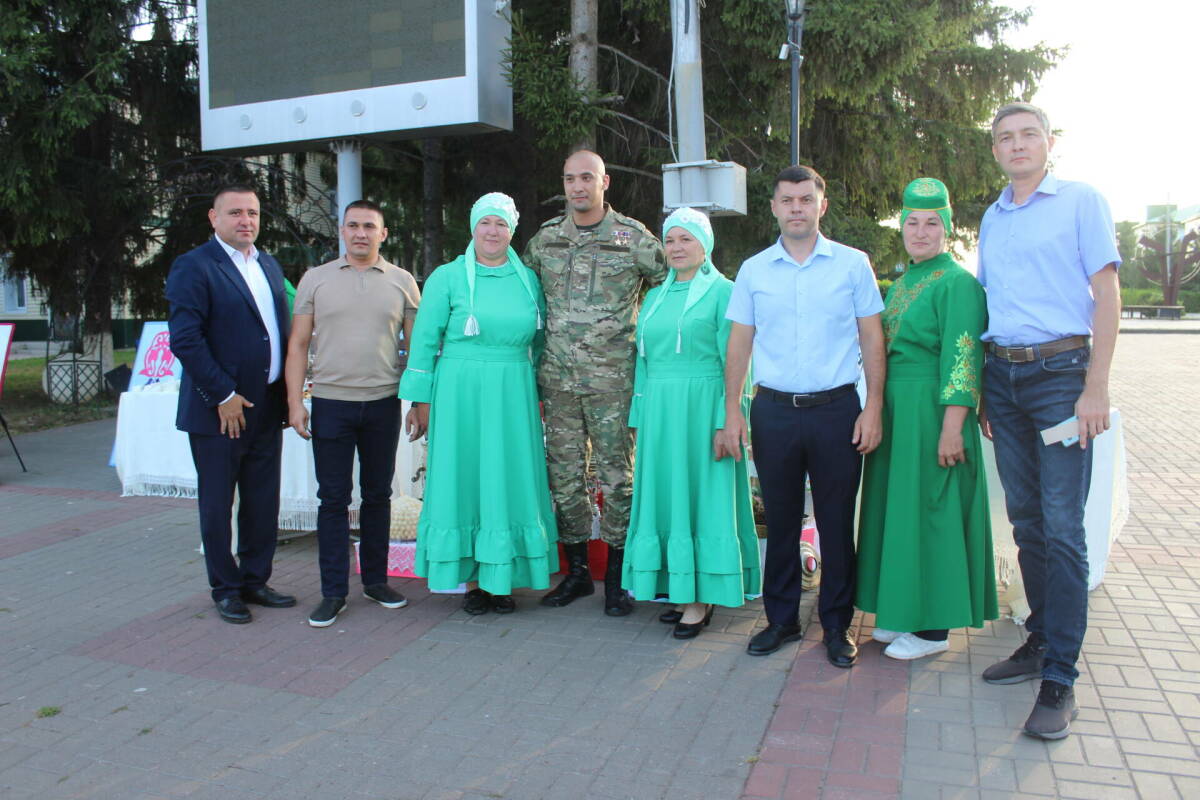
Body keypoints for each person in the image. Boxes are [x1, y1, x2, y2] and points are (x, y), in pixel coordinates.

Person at [977, 102, 1121, 740]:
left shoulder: (1081, 201)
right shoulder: (993, 216)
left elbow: (1106, 294)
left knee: (1064, 529)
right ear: (995, 150)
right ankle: (1039, 640)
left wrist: (1096, 386)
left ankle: (1061, 678)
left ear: (1048, 142)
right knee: (1027, 521)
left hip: (1062, 377)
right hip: (1002, 378)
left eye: (1028, 134)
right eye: (1005, 138)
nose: (1017, 145)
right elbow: (991, 301)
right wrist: (985, 390)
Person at [717, 165, 885, 665]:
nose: (796, 208)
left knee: (835, 522)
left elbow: (872, 336)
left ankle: (836, 625)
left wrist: (873, 406)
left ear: (821, 205)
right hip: (773, 411)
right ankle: (782, 620)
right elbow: (739, 342)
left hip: (838, 411)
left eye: (805, 199)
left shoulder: (852, 265)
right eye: (787, 200)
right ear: (774, 207)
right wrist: (732, 410)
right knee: (782, 520)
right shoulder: (754, 270)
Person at [855, 178, 998, 660]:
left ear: (947, 228)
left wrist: (953, 426)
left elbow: (964, 358)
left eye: (932, 223)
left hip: (933, 413)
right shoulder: (902, 284)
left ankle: (935, 629)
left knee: (934, 511)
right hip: (898, 412)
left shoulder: (958, 283)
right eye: (912, 222)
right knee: (903, 512)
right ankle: (905, 611)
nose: (920, 232)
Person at [523, 150, 667, 616]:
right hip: (559, 382)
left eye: (587, 177)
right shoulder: (546, 239)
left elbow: (670, 288)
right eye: (570, 179)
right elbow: (523, 294)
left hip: (614, 384)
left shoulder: (633, 238)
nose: (578, 187)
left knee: (617, 478)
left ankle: (619, 580)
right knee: (564, 479)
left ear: (605, 182)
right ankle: (579, 573)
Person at [399, 193, 556, 614]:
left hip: (513, 392)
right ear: (473, 227)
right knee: (465, 477)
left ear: (512, 231)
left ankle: (502, 579)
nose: (493, 231)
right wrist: (420, 400)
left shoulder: (529, 281)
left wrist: (536, 392)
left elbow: (541, 341)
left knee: (509, 478)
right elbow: (424, 342)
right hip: (459, 394)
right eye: (485, 222)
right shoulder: (447, 278)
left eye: (501, 224)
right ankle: (472, 582)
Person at [622, 207, 762, 638]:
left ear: (705, 245)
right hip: (661, 412)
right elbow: (644, 363)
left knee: (703, 496)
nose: (677, 247)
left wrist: (729, 418)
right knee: (667, 495)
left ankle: (701, 599)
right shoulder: (655, 297)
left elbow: (737, 360)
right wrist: (639, 415)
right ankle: (680, 589)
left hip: (703, 408)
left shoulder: (725, 292)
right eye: (670, 239)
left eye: (686, 239)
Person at [285, 200, 421, 628]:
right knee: (333, 499)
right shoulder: (315, 279)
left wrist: (421, 404)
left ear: (383, 233)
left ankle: (376, 582)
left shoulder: (402, 282)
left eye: (369, 226)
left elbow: (417, 350)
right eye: (353, 226)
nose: (361, 233)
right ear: (342, 231)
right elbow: (298, 345)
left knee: (378, 495)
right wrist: (294, 403)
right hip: (330, 403)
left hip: (383, 403)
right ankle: (333, 592)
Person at [166, 184, 295, 624]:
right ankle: (225, 589)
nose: (246, 221)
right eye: (236, 212)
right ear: (214, 218)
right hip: (220, 411)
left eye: (253, 213)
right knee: (218, 503)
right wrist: (223, 394)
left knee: (262, 500)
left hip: (266, 406)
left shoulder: (268, 264)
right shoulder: (194, 266)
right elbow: (186, 339)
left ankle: (255, 581)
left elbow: (276, 331)